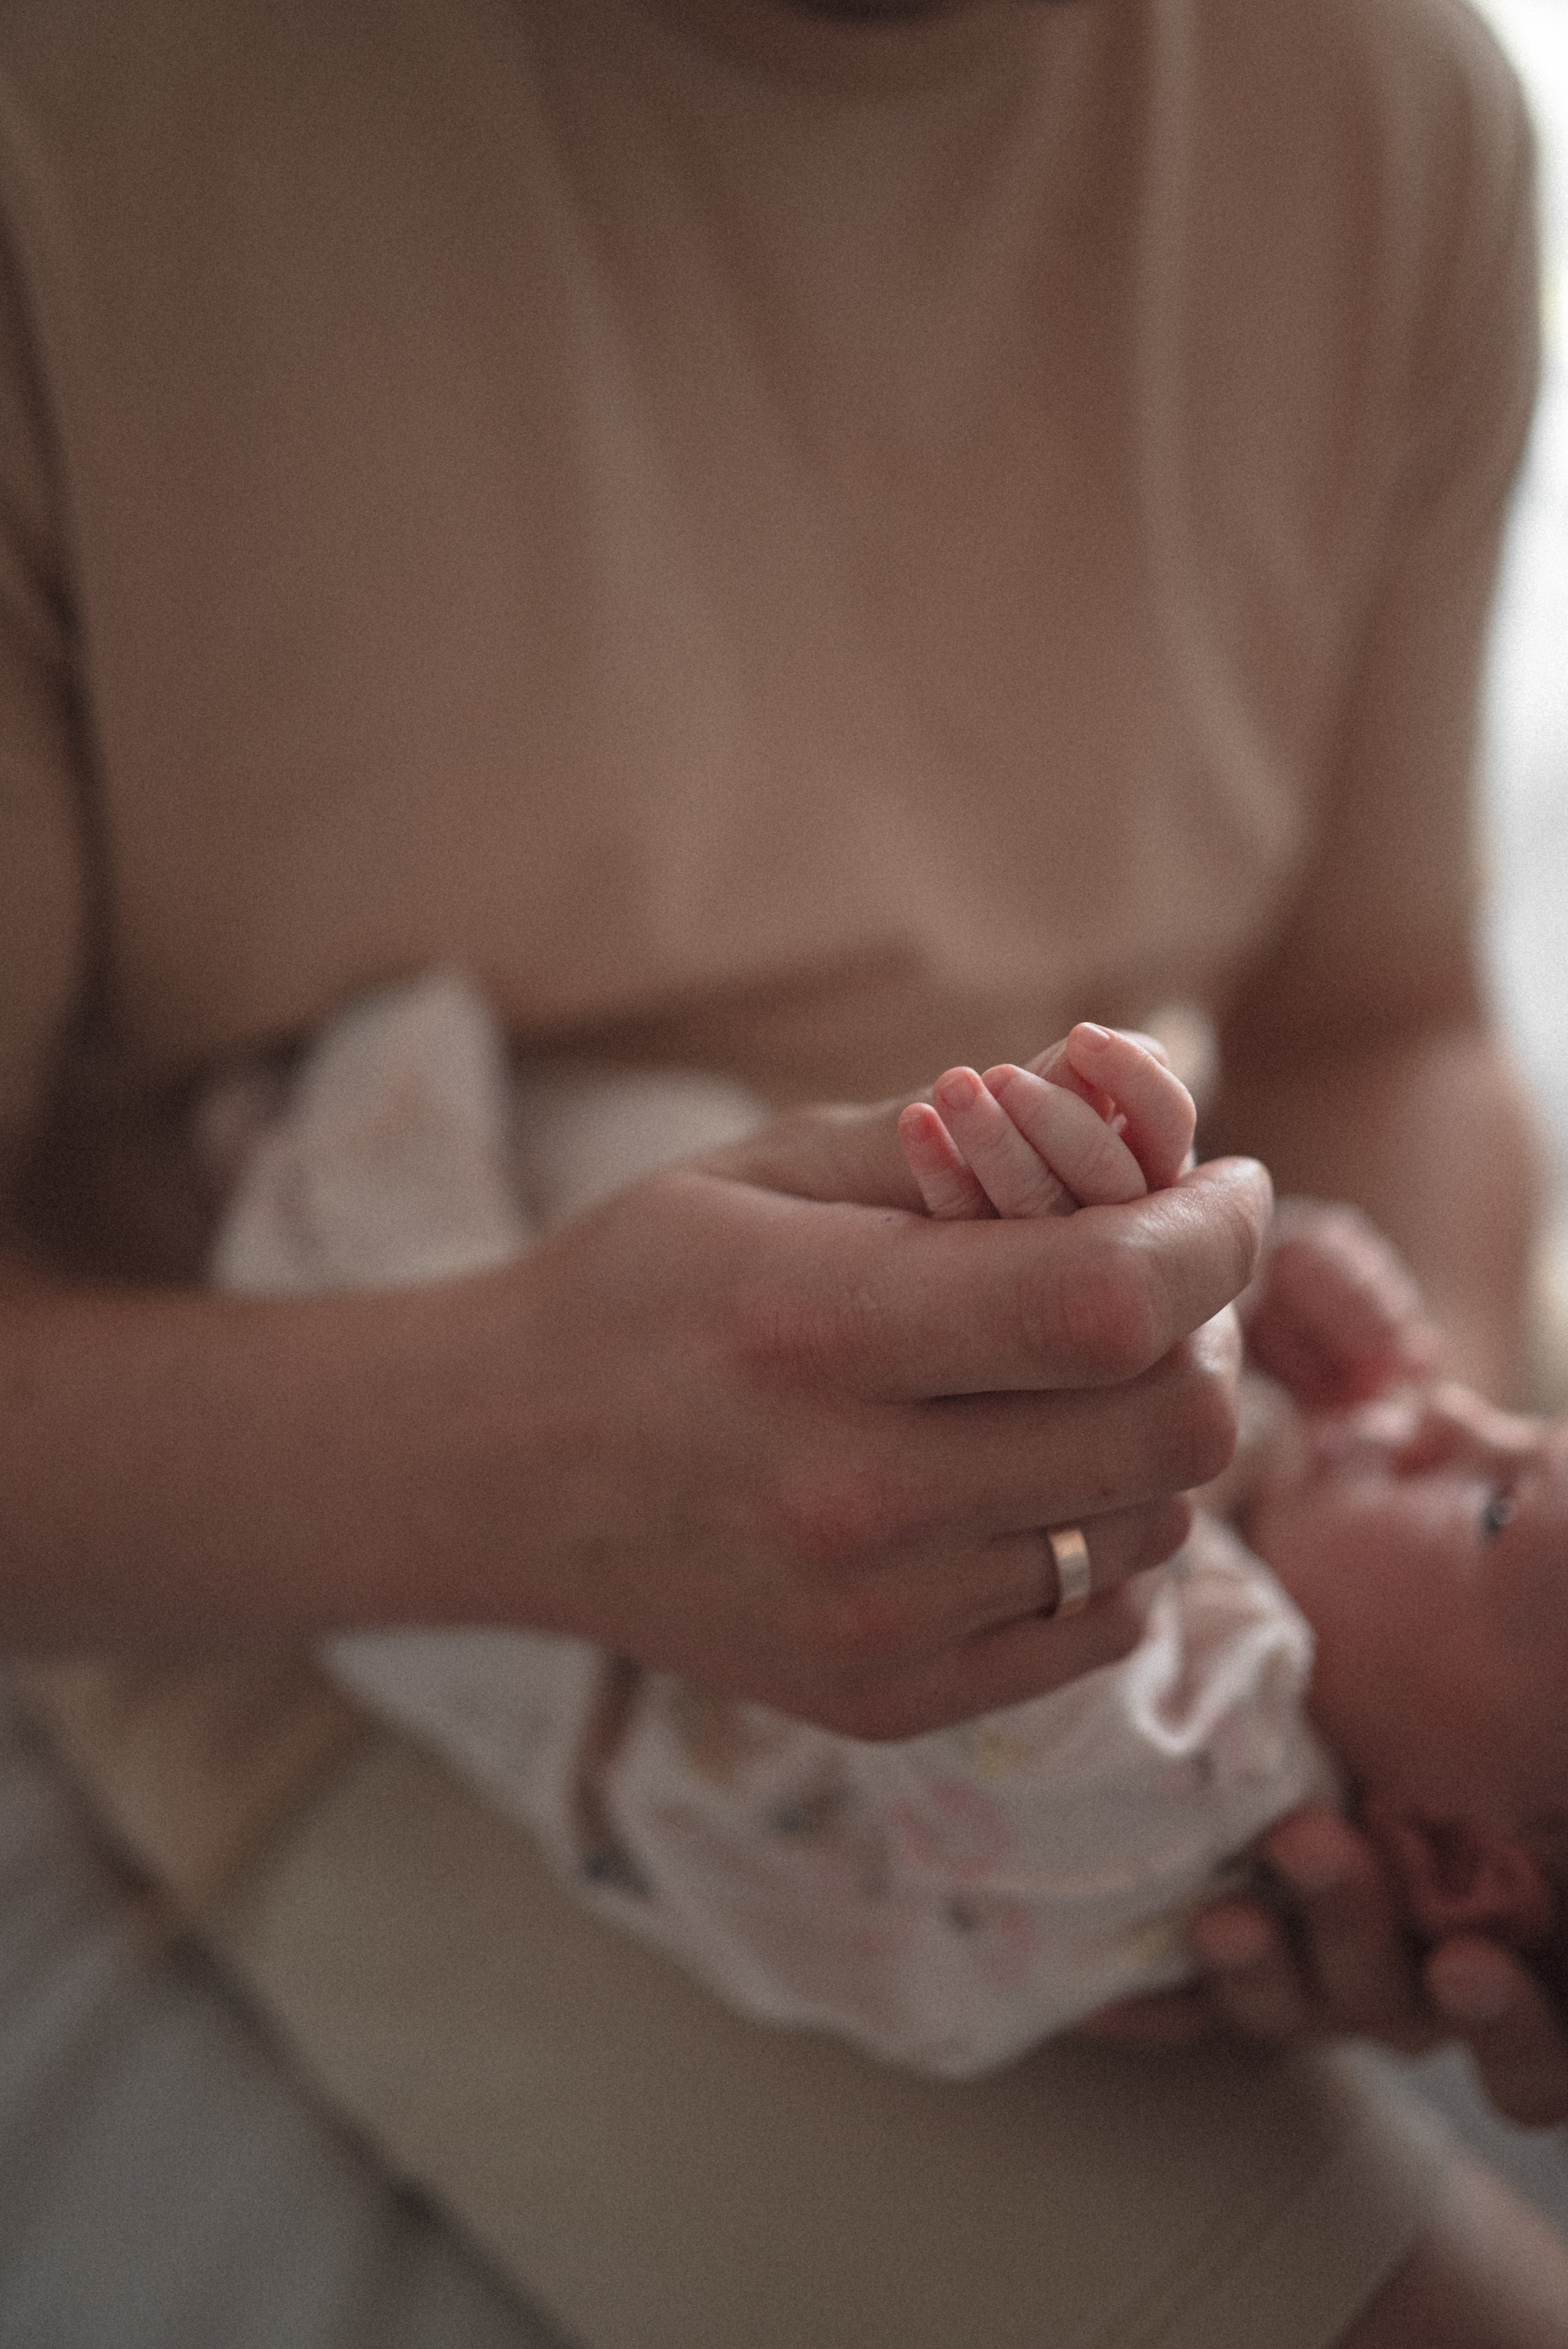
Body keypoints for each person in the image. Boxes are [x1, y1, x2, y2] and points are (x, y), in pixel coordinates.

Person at [1, 0, 1566, 2339]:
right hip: (313, 1568)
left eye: (1510, 1485)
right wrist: (507, 1452)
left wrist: (1359, 1503)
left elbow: (1376, 1009)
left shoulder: (1385, 110)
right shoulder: (80, 122)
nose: (1466, 1424)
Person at [193, 979, 1568, 2086]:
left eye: (1493, 1506)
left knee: (413, 1169)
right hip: (657, 1473)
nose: (1455, 1417)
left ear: (1455, 1856)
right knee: (642, 1148)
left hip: (544, 1629)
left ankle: (277, 1144)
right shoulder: (1298, 1573)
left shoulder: (1193, 1788)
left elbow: (1009, 1598)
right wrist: (1292, 1303)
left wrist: (1100, 1264)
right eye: (1520, 1426)